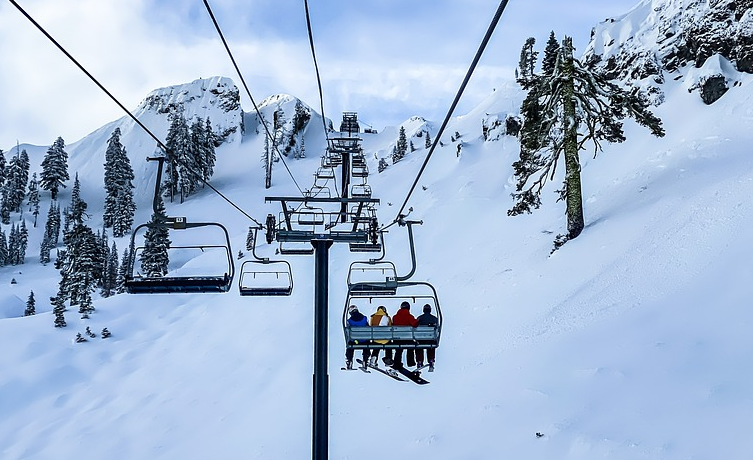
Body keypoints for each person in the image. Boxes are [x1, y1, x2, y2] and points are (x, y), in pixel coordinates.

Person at [391, 301, 418, 368]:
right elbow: (415, 324)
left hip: (397, 339)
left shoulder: (395, 317)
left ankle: (397, 363)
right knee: (411, 346)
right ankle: (410, 362)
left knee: (398, 350)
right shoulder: (409, 316)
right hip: (407, 339)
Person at [345, 305, 370, 369]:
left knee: (350, 344)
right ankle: (365, 360)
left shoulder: (349, 321)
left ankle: (349, 360)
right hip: (364, 341)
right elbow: (368, 328)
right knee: (367, 342)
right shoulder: (364, 318)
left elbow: (348, 332)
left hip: (355, 341)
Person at [415, 303, 438, 371]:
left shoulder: (419, 318)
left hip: (421, 339)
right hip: (430, 339)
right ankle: (431, 360)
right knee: (431, 347)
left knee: (419, 347)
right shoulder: (434, 319)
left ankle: (419, 361)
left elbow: (415, 326)